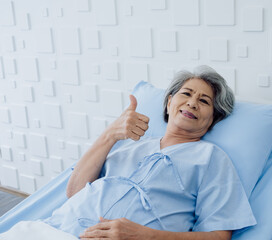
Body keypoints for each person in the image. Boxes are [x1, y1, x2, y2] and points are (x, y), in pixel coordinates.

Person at [1, 65, 256, 240]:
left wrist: (146, 236)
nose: (192, 102)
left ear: (213, 118)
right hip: (52, 231)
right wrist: (110, 135)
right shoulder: (131, 144)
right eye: (186, 94)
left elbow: (219, 235)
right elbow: (74, 192)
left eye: (204, 101)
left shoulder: (211, 158)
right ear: (169, 102)